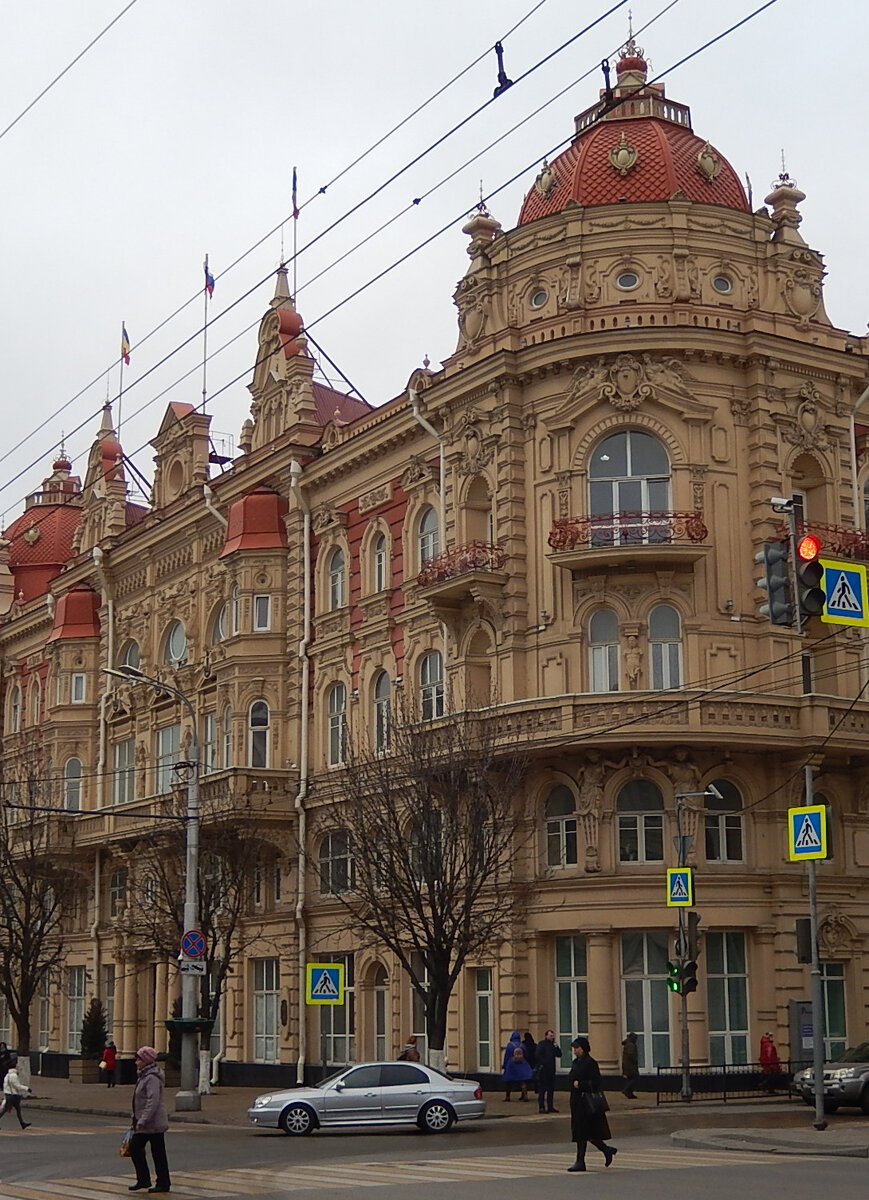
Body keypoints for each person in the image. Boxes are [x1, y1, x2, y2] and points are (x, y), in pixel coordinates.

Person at [567, 1036, 617, 1172]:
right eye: (574, 1048)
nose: (575, 1050)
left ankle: (580, 1161)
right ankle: (606, 1150)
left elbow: (596, 1082)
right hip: (577, 1102)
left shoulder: (590, 1063)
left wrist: (580, 1085)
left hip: (587, 1104)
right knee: (583, 1133)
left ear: (583, 1048)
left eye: (577, 1048)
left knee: (584, 1133)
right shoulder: (576, 1062)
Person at [128, 1046, 170, 1194]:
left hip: (152, 1123)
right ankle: (147, 1180)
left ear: (145, 1061)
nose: (136, 1062)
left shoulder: (151, 1077)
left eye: (138, 1059)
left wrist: (143, 1120)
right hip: (145, 1122)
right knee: (143, 1149)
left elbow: (153, 1101)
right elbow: (139, 1100)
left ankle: (159, 1182)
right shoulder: (144, 1075)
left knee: (141, 1149)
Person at [0, 1055, 32, 1129]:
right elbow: (17, 1085)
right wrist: (26, 1088)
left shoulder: (7, 1075)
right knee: (5, 1110)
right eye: (16, 1066)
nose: (17, 1067)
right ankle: (22, 1123)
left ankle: (22, 1123)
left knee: (18, 1110)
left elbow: (5, 1086)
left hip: (10, 1095)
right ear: (14, 1067)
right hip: (12, 1096)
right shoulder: (13, 1075)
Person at [535, 1028, 562, 1113]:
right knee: (542, 1090)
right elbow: (537, 1055)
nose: (552, 1037)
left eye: (553, 1036)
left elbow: (559, 1054)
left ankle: (550, 1106)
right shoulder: (542, 1044)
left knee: (551, 1090)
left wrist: (556, 1046)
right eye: (550, 1035)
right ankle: (541, 1107)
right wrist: (544, 1062)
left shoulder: (553, 1045)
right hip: (543, 1070)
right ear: (546, 1036)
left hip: (551, 1071)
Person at [502, 1030, 532, 1101]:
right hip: (522, 1064)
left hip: (511, 1064)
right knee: (523, 1081)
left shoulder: (510, 1045)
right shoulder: (522, 1045)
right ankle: (525, 1095)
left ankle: (508, 1097)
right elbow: (526, 1054)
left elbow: (507, 1056)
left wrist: (505, 1065)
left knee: (508, 1081)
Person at [621, 1031, 639, 1099]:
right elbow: (630, 1055)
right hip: (630, 1065)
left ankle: (629, 1093)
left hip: (627, 1065)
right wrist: (635, 1061)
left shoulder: (628, 1044)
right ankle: (626, 1090)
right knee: (635, 1078)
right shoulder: (630, 1045)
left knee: (630, 1078)